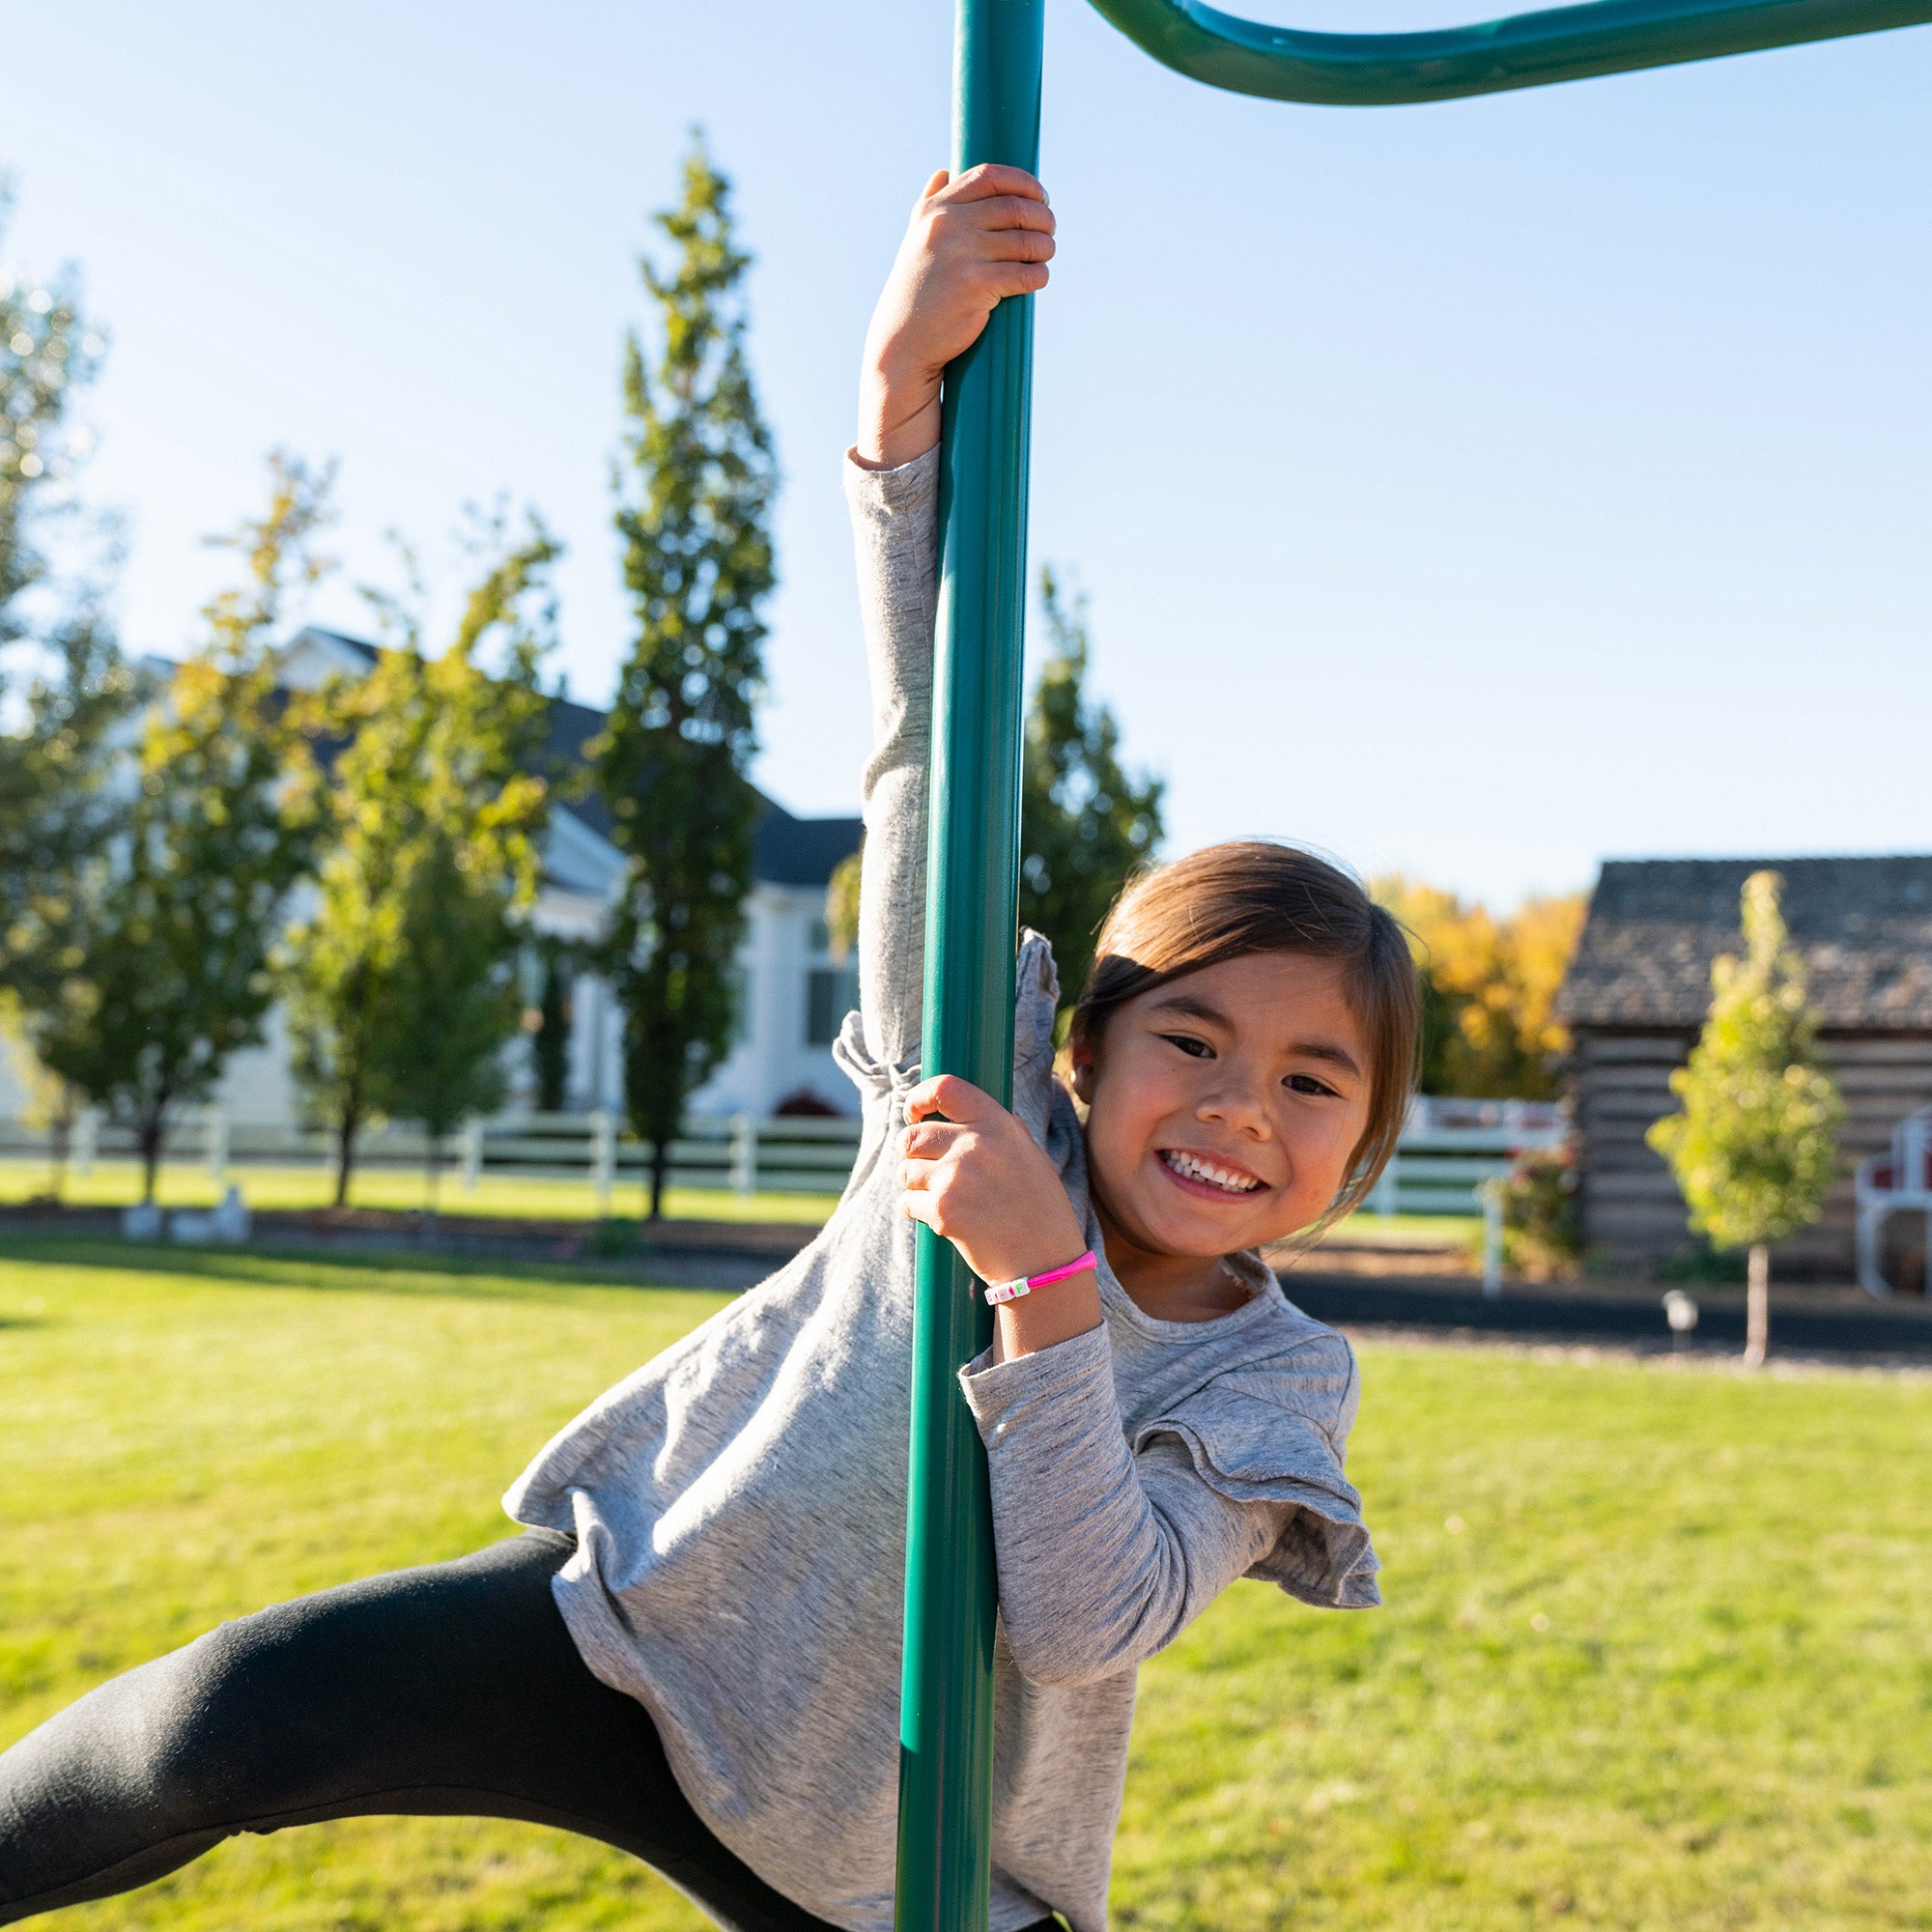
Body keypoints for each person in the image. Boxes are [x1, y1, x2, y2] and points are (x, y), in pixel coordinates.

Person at [0, 165, 1418, 1932]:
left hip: (889, 1856)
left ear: (1362, 1147)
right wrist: (897, 410)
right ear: (1082, 1045)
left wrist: (1043, 1286)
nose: (1234, 1107)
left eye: (1309, 1080)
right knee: (230, 1710)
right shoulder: (968, 1100)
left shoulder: (1271, 1389)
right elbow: (930, 761)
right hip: (637, 1631)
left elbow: (1082, 1616)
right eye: (1190, 1038)